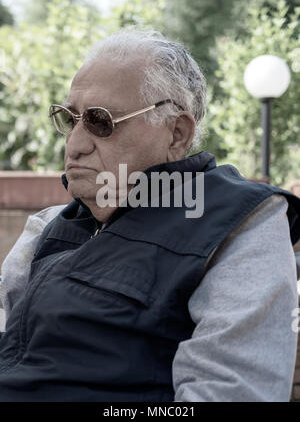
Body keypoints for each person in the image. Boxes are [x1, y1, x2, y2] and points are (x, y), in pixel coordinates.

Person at [0, 28, 300, 402]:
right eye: (69, 119)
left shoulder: (241, 222)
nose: (74, 145)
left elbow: (231, 391)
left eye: (100, 120)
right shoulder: (48, 226)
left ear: (176, 133)